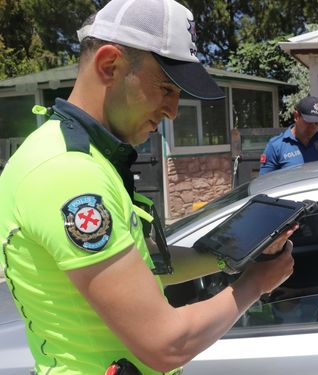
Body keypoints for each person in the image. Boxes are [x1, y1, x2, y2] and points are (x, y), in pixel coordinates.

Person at [0, 1, 296, 374]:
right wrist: (255, 284)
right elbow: (166, 344)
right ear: (110, 66)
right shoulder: (68, 173)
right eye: (166, 88)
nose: (174, 110)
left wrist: (232, 254)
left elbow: (141, 265)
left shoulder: (79, 154)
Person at [259, 96, 318, 175]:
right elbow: (264, 182)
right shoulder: (276, 146)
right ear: (296, 116)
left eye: (317, 123)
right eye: (309, 122)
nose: (313, 127)